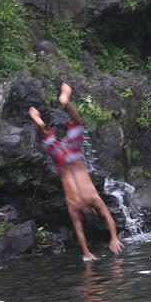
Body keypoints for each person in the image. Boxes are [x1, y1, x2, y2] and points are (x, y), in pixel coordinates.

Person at [28, 83, 124, 261]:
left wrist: (113, 236)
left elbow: (109, 219)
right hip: (62, 160)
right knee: (47, 140)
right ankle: (40, 123)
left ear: (93, 213)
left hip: (73, 156)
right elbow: (79, 231)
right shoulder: (75, 207)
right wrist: (87, 252)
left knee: (78, 123)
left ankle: (65, 101)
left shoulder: (94, 199)